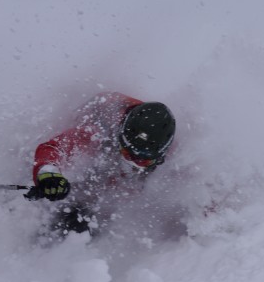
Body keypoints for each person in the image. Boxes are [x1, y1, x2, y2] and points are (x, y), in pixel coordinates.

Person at [25, 92, 176, 240]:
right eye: (126, 152)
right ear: (119, 135)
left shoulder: (173, 154)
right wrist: (49, 173)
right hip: (93, 162)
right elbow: (55, 148)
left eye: (143, 161)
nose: (131, 162)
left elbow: (189, 185)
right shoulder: (97, 132)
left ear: (161, 155)